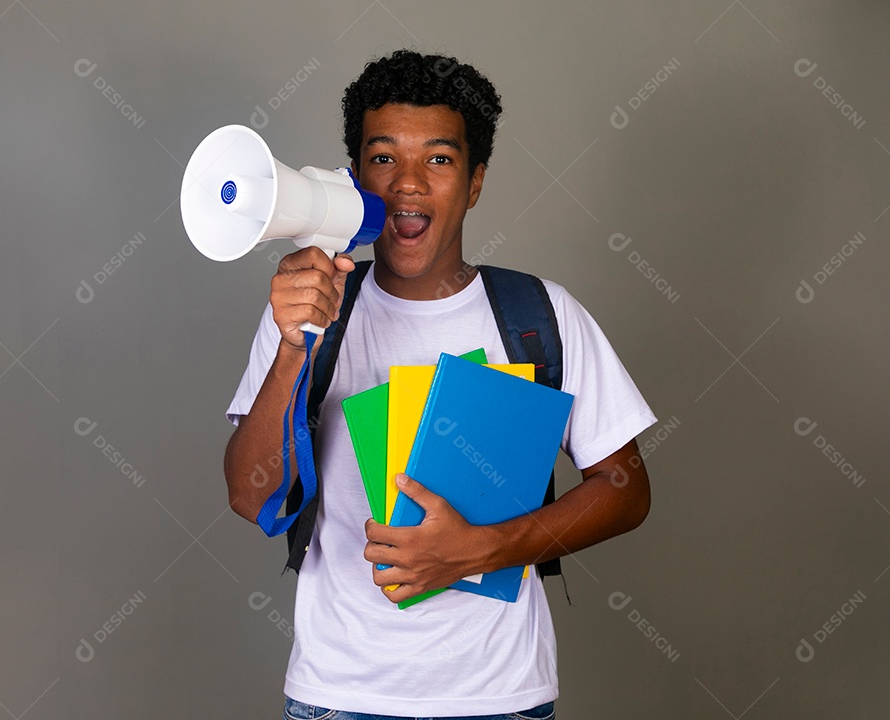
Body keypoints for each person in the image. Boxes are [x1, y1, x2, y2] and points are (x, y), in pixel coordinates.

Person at [225, 49, 656, 719]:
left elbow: (626, 492)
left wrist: (480, 550)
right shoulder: (307, 309)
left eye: (440, 159)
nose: (409, 185)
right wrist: (292, 350)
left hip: (502, 696)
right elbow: (251, 496)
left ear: (476, 181)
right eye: (384, 157)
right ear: (356, 175)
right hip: (339, 697)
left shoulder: (540, 316)